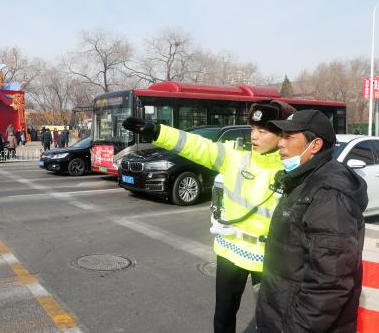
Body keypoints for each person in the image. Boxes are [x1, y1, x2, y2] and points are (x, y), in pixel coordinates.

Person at [122, 100, 296, 333]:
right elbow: (195, 145)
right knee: (223, 317)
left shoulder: (292, 170)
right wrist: (157, 132)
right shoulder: (234, 157)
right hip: (229, 250)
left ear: (282, 135)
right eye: (253, 129)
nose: (254, 136)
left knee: (271, 321)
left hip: (268, 258)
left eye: (263, 131)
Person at [256, 110, 367, 333]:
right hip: (280, 315)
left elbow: (329, 283)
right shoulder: (304, 180)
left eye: (289, 137)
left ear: (315, 145)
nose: (280, 143)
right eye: (281, 136)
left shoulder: (328, 194)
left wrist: (296, 328)